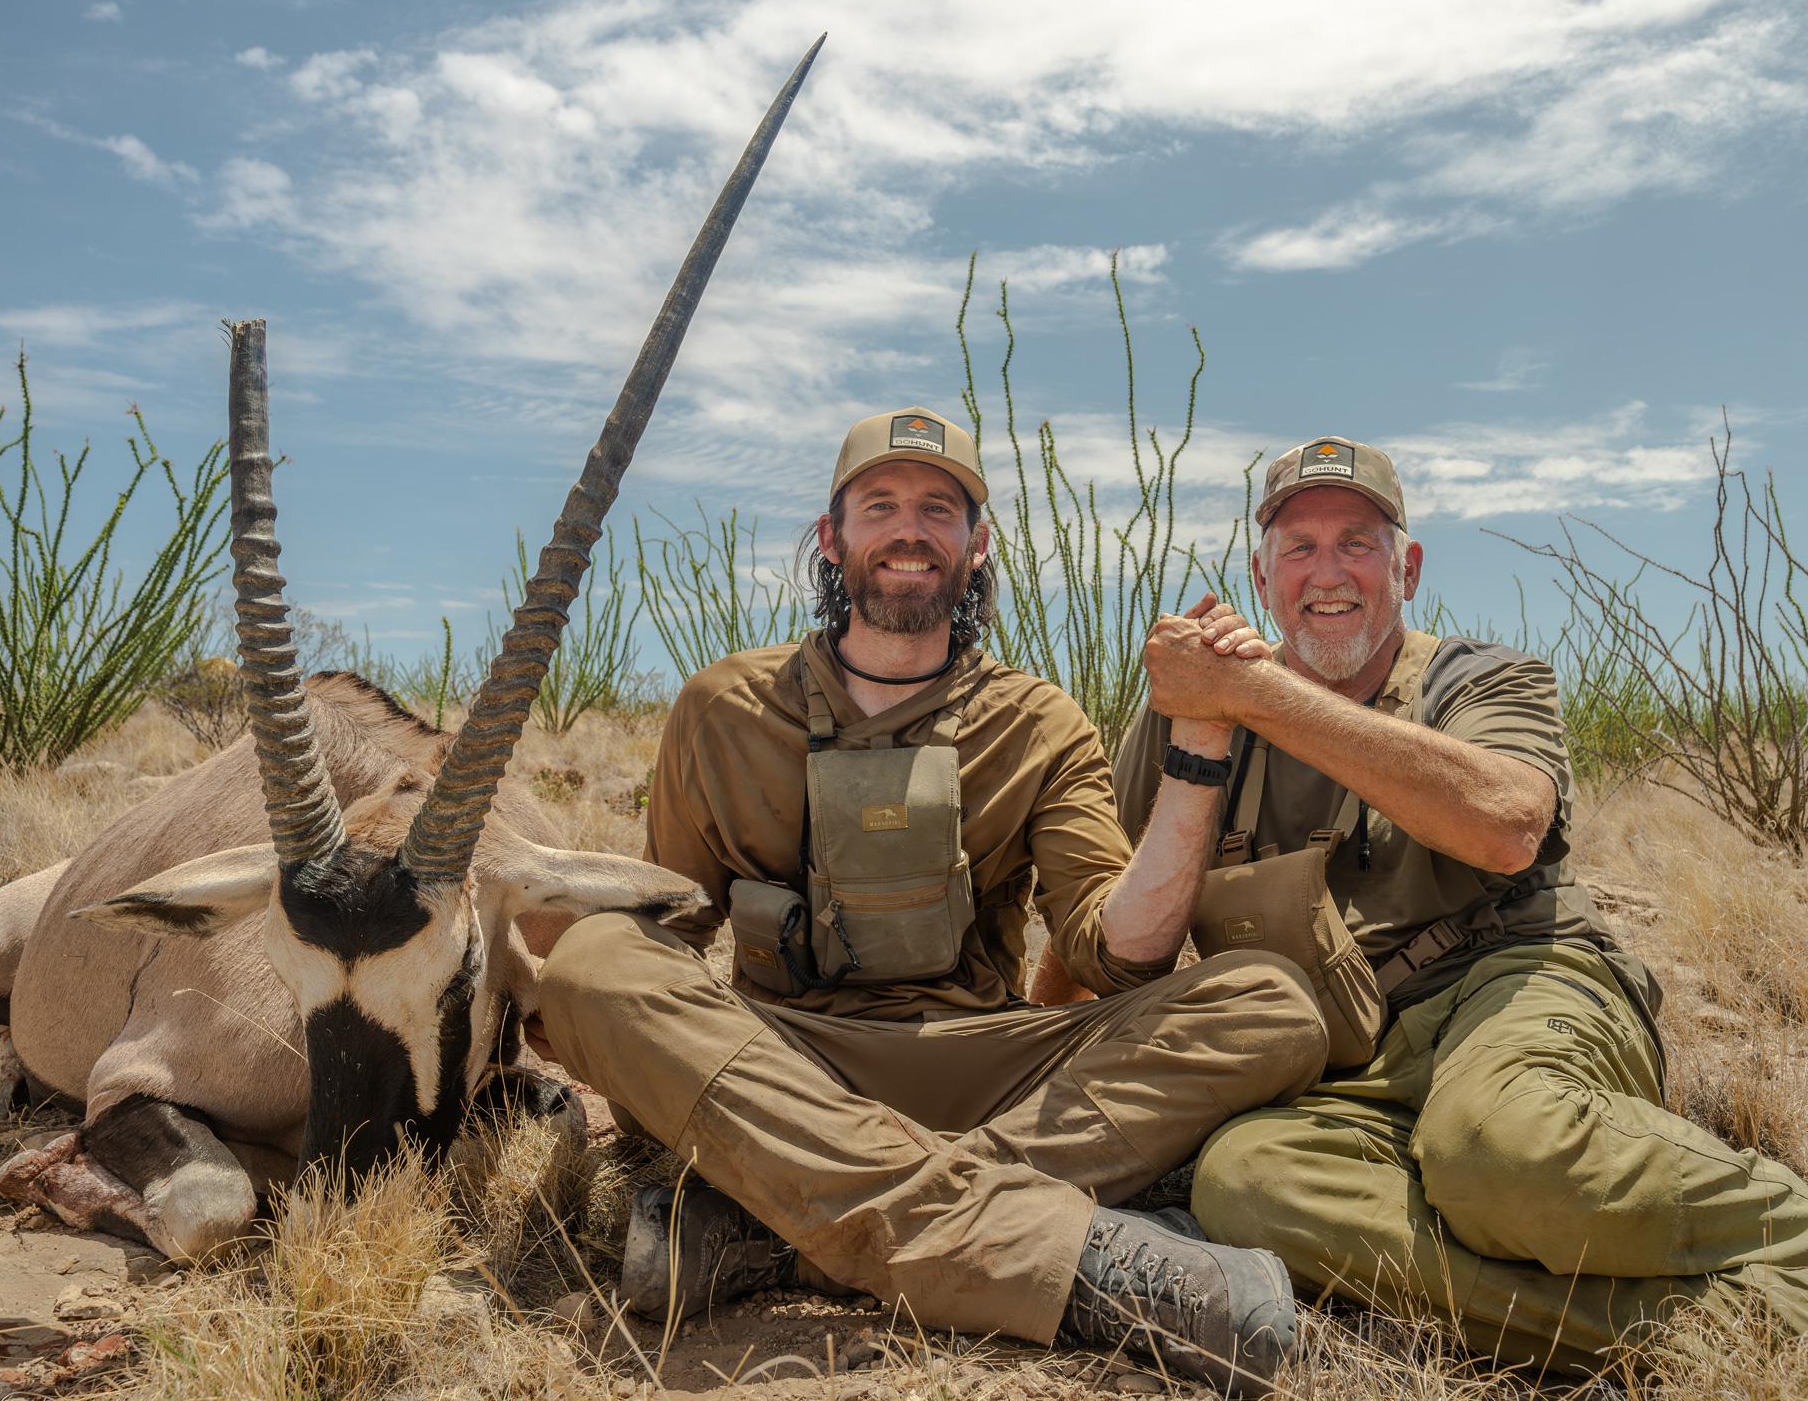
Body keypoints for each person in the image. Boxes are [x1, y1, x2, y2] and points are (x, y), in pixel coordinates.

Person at [1102, 435, 1808, 1401]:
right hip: (1342, 1050)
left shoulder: (1482, 678)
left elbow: (1507, 825)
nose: (1328, 572)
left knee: (1498, 1151)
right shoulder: (1187, 706)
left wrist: (1261, 695)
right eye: (1299, 547)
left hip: (1514, 979)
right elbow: (1105, 922)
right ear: (1260, 576)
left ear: (1405, 568)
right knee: (1247, 1183)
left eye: (1357, 544)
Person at [527, 407, 1326, 1396]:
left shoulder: (1039, 719)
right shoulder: (718, 708)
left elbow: (1124, 955)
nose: (909, 529)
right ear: (833, 536)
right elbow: (674, 933)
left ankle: (778, 1231)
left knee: (1271, 1003)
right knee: (594, 964)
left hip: (985, 1067)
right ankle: (1046, 1246)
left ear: (976, 543)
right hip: (782, 1061)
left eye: (938, 509)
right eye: (881, 505)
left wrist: (1200, 739)